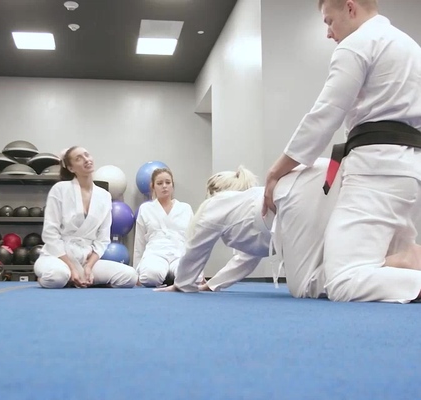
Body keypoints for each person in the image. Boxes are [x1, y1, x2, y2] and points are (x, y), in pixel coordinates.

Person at [262, 0, 421, 302]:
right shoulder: (411, 47)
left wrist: (275, 172)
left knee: (344, 279)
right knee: (392, 258)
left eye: (328, 21)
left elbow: (325, 115)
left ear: (350, 8)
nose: (328, 32)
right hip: (410, 169)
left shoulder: (357, 44)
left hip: (377, 169)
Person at [156, 159, 339, 298]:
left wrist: (182, 283)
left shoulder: (216, 204)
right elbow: (246, 258)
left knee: (303, 286)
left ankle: (347, 276)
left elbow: (196, 249)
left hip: (301, 191)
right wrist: (213, 284)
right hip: (324, 171)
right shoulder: (248, 205)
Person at [34, 146, 138, 289]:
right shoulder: (60, 189)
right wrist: (71, 268)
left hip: (85, 259)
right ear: (71, 168)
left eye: (87, 155)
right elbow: (50, 233)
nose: (86, 159)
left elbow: (103, 239)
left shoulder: (104, 196)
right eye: (79, 158)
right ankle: (61, 277)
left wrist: (89, 267)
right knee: (57, 277)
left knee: (130, 276)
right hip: (57, 257)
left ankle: (82, 278)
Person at [133, 167, 198, 287]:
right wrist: (135, 271)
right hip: (155, 253)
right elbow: (139, 243)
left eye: (168, 182)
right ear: (153, 186)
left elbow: (193, 239)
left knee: (194, 278)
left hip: (179, 253)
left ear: (172, 185)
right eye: (159, 183)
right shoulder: (146, 209)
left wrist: (199, 267)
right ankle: (165, 277)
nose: (164, 186)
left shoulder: (185, 208)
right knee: (149, 277)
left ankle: (171, 277)